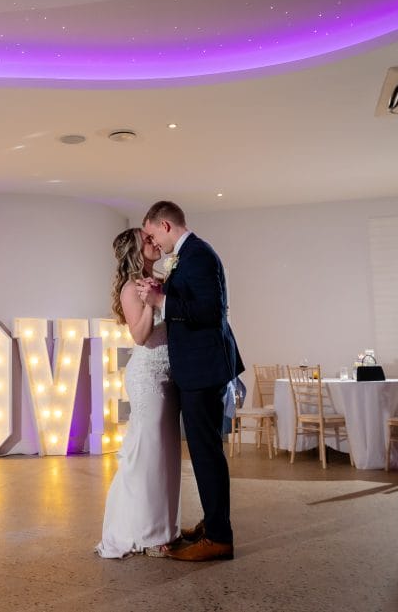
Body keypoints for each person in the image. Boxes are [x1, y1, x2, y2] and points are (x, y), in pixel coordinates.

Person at [140, 200, 243, 562]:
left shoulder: (198, 254)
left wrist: (161, 299)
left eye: (153, 234)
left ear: (165, 226)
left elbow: (210, 312)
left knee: (206, 453)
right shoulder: (192, 254)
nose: (154, 243)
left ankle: (218, 538)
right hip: (201, 366)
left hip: (203, 368)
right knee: (205, 451)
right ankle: (213, 523)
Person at [95, 228, 182, 558]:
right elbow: (141, 335)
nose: (154, 242)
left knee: (167, 454)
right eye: (147, 240)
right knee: (149, 454)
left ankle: (165, 527)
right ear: (135, 250)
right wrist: (150, 304)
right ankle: (146, 534)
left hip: (170, 375)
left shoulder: (159, 278)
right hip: (148, 376)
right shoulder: (132, 288)